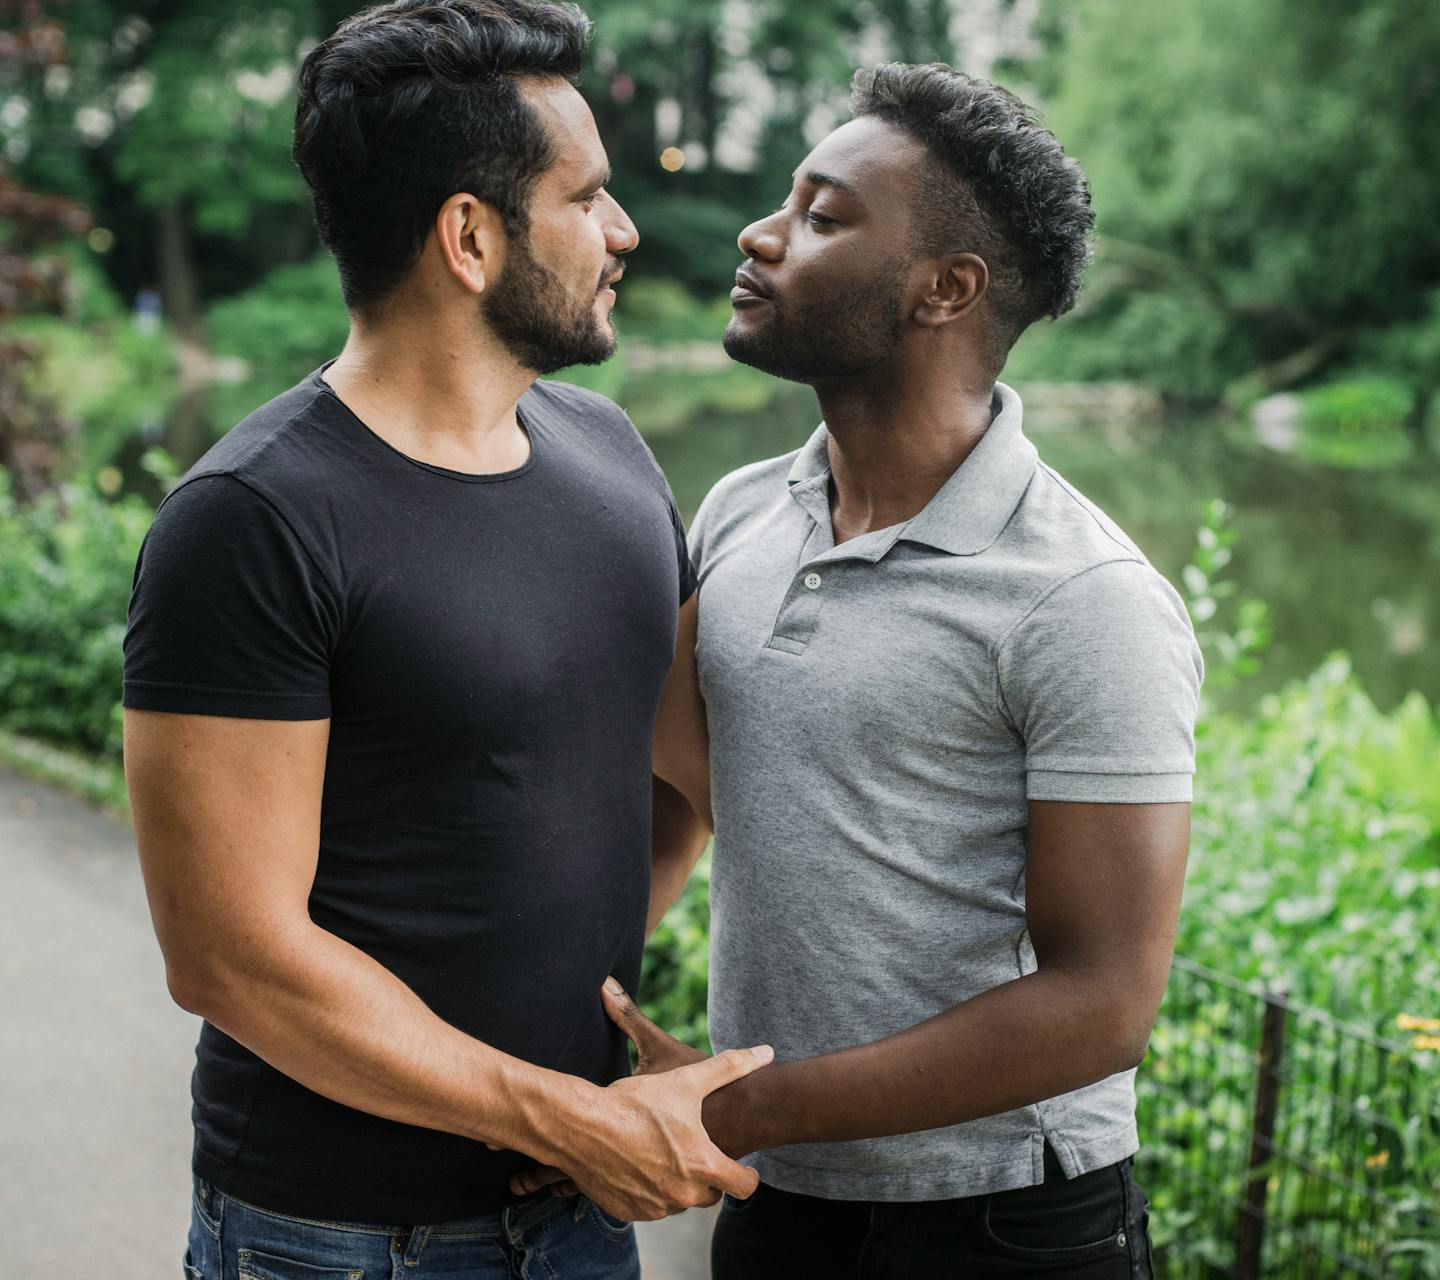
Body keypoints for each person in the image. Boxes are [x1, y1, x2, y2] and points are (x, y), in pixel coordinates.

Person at [520, 62, 1203, 1278]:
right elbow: (685, 786)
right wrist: (546, 1033)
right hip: (783, 1209)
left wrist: (730, 1110)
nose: (760, 233)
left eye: (823, 216)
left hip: (1004, 1226)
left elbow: (1104, 1000)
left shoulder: (1084, 597)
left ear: (946, 289)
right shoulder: (743, 511)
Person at [120, 2, 765, 1276]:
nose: (623, 229)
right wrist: (552, 1106)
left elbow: (683, 768)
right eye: (587, 197)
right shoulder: (251, 521)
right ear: (470, 237)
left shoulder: (617, 458)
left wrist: (580, 1058)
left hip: (574, 1214)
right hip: (337, 1238)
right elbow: (229, 955)